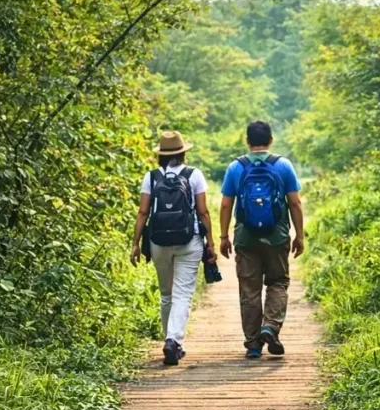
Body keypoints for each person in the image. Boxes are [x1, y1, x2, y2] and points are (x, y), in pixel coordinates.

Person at [219, 120, 305, 358]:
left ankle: (254, 343)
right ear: (271, 140)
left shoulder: (236, 167)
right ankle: (271, 326)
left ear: (247, 141)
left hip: (246, 237)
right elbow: (295, 203)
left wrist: (224, 236)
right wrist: (299, 235)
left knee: (249, 289)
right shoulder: (283, 166)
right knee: (278, 282)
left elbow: (226, 205)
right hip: (276, 236)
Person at [130, 131, 215, 366]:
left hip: (158, 241)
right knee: (182, 295)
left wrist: (136, 244)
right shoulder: (193, 174)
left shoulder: (151, 177)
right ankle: (173, 340)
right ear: (183, 152)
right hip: (189, 241)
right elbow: (203, 212)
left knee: (167, 294)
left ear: (161, 155)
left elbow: (143, 212)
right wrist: (211, 244)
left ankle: (172, 340)